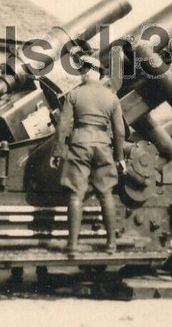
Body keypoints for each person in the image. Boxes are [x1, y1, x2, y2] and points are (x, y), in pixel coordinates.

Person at [51, 54, 126, 256]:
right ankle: (111, 245)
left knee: (76, 193)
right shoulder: (111, 97)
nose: (81, 74)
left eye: (83, 70)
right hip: (102, 145)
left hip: (80, 143)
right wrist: (120, 158)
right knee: (106, 192)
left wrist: (58, 152)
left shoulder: (74, 95)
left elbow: (63, 127)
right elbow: (120, 131)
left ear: (91, 72)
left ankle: (72, 246)